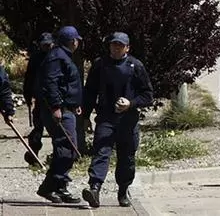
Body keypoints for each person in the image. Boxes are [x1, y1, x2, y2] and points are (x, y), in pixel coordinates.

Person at [81, 32, 154, 209]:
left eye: (120, 45)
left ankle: (123, 191)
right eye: (113, 45)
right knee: (101, 152)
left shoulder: (135, 66)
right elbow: (89, 92)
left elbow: (148, 95)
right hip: (106, 118)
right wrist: (84, 117)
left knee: (127, 157)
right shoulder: (100, 65)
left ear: (127, 48)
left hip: (128, 120)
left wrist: (131, 103)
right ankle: (95, 188)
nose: (116, 48)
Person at [37, 26, 84, 204]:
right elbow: (51, 83)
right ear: (73, 41)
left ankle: (61, 187)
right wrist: (56, 107)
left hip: (68, 109)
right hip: (59, 111)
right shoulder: (57, 57)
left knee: (67, 149)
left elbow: (66, 84)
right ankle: (48, 187)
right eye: (77, 40)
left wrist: (75, 104)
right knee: (67, 149)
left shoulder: (62, 56)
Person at [24, 32, 55, 166]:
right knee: (38, 129)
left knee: (57, 130)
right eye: (44, 45)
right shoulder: (36, 58)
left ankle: (58, 157)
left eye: (49, 44)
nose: (47, 47)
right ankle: (33, 155)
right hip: (40, 100)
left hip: (55, 101)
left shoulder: (57, 57)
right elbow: (29, 79)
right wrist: (28, 96)